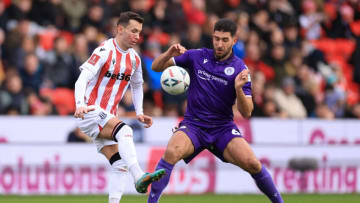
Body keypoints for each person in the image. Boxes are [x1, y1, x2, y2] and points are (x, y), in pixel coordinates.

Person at [149, 19, 284, 203]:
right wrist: (168, 53)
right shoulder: (196, 56)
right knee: (171, 153)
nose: (219, 44)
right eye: (216, 39)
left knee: (253, 164)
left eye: (225, 40)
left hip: (222, 128)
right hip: (194, 125)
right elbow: (156, 67)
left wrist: (238, 89)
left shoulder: (240, 69)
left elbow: (247, 112)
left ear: (234, 41)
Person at [73, 11, 165, 203]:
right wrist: (80, 105)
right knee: (125, 131)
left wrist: (139, 112)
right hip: (90, 111)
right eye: (133, 31)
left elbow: (138, 85)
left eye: (139, 32)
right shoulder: (104, 51)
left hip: (106, 116)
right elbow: (81, 79)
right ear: (120, 29)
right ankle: (139, 175)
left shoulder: (135, 59)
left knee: (120, 165)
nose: (137, 36)